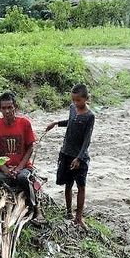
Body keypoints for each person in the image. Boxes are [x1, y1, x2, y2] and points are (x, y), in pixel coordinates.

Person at [0, 92, 43, 220]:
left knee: (22, 178)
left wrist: (19, 168)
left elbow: (30, 147)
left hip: (23, 167)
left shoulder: (24, 123)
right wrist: (5, 168)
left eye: (10, 107)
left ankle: (36, 208)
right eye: (4, 108)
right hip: (4, 168)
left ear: (15, 107)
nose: (7, 111)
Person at [46, 83, 95, 227]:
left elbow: (87, 140)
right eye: (73, 100)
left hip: (79, 157)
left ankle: (79, 217)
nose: (75, 103)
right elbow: (71, 123)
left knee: (81, 186)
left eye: (78, 100)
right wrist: (56, 123)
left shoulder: (89, 116)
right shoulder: (72, 109)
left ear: (86, 99)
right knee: (67, 184)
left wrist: (79, 158)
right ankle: (68, 212)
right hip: (66, 153)